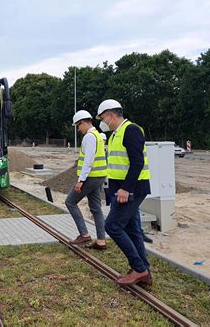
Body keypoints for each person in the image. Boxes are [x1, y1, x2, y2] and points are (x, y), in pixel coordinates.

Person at [97, 99, 152, 286]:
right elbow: (117, 166)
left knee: (112, 226)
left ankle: (139, 269)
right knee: (132, 230)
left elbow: (137, 163)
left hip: (131, 190)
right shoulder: (115, 134)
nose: (102, 122)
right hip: (122, 189)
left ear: (111, 115)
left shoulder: (131, 130)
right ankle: (145, 272)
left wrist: (126, 189)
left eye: (103, 118)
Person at [65, 110, 108, 250]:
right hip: (99, 176)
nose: (78, 129)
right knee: (96, 208)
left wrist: (80, 180)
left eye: (78, 126)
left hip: (90, 177)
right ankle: (101, 240)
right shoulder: (98, 135)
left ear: (83, 122)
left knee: (70, 202)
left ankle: (84, 234)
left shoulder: (89, 137)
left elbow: (88, 160)